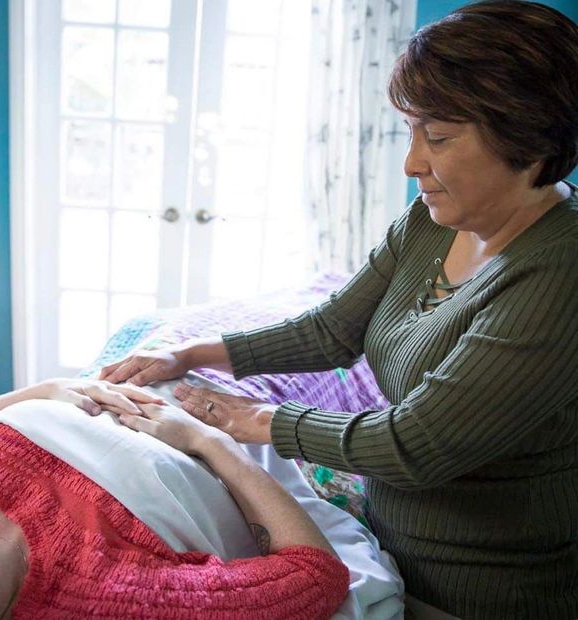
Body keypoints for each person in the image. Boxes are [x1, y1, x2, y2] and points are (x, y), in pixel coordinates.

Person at [100, 1, 578, 617]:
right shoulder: (433, 222)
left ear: (527, 139)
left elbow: (415, 445)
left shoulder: (559, 274)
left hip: (482, 590)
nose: (412, 164)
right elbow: (332, 329)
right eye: (410, 132)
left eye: (437, 137)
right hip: (388, 549)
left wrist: (250, 420)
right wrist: (187, 354)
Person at [0, 378, 349, 619]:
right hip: (239, 418)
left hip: (114, 384)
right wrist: (210, 440)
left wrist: (47, 389)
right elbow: (315, 574)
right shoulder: (108, 599)